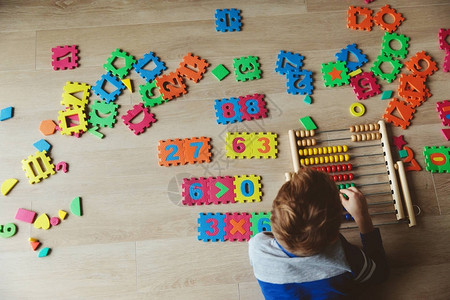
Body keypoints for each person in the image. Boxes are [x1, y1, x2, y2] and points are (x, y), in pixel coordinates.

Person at [248, 168, 389, 299]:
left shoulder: (258, 248)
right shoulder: (346, 258)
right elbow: (379, 274)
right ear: (334, 238)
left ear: (273, 219)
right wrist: (362, 217)